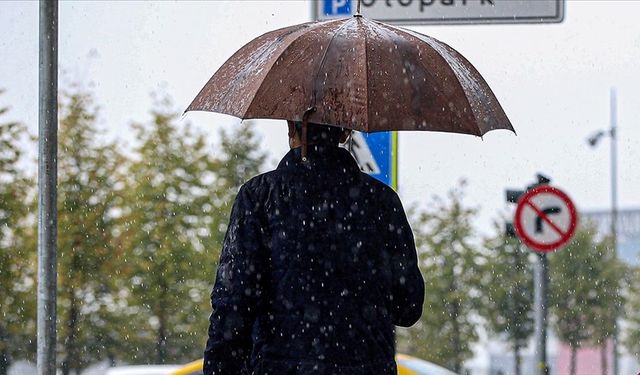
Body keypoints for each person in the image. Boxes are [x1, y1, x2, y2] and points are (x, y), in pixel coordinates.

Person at [204, 121, 424, 375]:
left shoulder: (259, 198)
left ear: (290, 127)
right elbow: (408, 307)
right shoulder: (381, 202)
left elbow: (232, 303)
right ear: (346, 131)